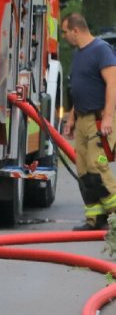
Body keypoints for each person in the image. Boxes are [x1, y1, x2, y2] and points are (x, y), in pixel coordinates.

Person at [59, 13, 116, 231]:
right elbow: (81, 89)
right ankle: (95, 218)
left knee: (97, 166)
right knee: (83, 170)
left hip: (99, 119)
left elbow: (112, 84)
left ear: (76, 30)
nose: (63, 36)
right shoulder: (79, 54)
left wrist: (109, 117)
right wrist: (71, 118)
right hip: (82, 119)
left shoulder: (101, 50)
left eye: (65, 32)